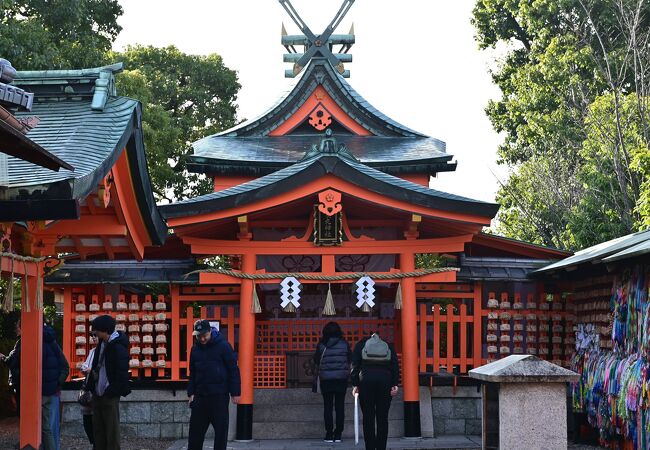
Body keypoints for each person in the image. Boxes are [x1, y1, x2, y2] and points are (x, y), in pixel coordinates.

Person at [187, 319, 241, 450]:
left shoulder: (223, 346)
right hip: (200, 396)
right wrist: (191, 393)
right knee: (195, 433)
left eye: (204, 335)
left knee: (221, 433)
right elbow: (192, 373)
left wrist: (235, 392)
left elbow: (233, 369)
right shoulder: (194, 349)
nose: (202, 339)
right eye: (199, 336)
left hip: (219, 396)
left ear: (210, 331)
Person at [87, 315, 130, 450]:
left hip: (109, 393)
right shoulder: (102, 344)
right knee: (98, 431)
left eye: (96, 331)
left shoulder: (118, 346)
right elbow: (95, 366)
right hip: (98, 391)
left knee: (111, 432)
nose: (95, 333)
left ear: (105, 330)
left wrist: (112, 390)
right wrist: (91, 387)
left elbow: (122, 373)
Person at [351, 333, 400, 450]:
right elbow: (394, 365)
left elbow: (355, 366)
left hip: (366, 381)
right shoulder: (387, 346)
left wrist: (355, 384)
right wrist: (394, 384)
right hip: (385, 381)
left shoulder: (360, 346)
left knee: (368, 416)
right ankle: (381, 447)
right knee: (382, 417)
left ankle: (370, 447)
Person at [313, 321, 351, 443]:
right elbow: (349, 359)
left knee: (328, 406)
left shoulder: (322, 345)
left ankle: (329, 434)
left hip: (326, 380)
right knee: (340, 407)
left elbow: (316, 360)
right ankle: (338, 434)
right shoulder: (344, 344)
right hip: (341, 379)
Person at [42, 323, 70, 450]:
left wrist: (56, 384)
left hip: (46, 390)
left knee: (46, 426)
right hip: (52, 390)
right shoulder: (54, 343)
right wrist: (57, 383)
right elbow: (65, 366)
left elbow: (64, 367)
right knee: (50, 425)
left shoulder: (36, 343)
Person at [79, 332, 98, 449]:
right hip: (89, 386)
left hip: (98, 388)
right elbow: (85, 365)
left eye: (95, 335)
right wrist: (85, 369)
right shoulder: (92, 351)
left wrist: (91, 369)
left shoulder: (106, 351)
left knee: (97, 420)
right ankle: (94, 442)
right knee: (87, 419)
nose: (94, 338)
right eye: (92, 336)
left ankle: (97, 444)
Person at [0, 319, 21, 416]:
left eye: (18, 327)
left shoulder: (20, 343)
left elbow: (12, 360)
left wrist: (3, 357)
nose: (16, 329)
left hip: (19, 379)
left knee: (20, 406)